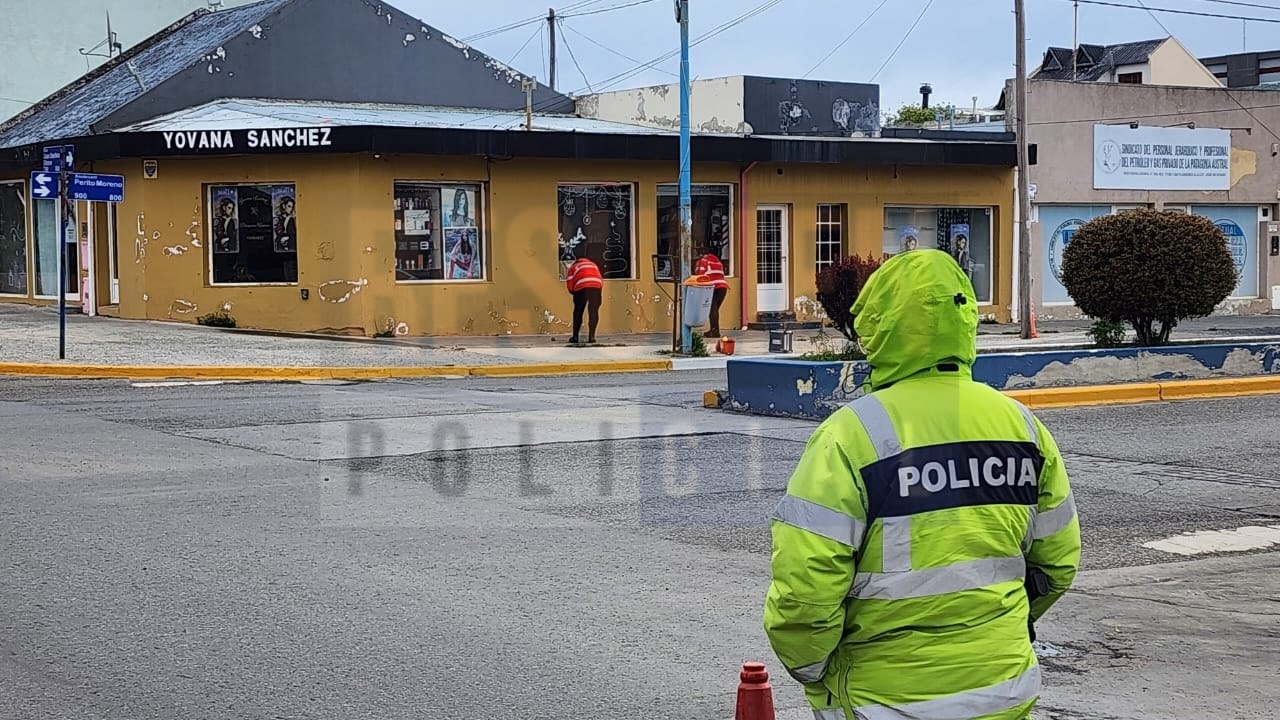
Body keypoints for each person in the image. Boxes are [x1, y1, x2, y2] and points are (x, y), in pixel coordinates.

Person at [763, 249, 1080, 720]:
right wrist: (997, 630)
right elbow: (1056, 564)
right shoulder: (1021, 427)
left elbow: (806, 590)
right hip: (1003, 690)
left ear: (880, 327)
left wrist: (814, 669)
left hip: (885, 699)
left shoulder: (851, 436)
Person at [565, 253, 603, 344]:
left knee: (578, 311)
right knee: (593, 311)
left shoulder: (574, 267)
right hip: (596, 287)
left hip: (581, 287)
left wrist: (574, 293)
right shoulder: (593, 265)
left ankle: (575, 337)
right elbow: (600, 278)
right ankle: (592, 336)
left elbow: (570, 283)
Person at [693, 246, 730, 338]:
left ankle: (715, 332)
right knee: (715, 310)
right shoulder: (718, 262)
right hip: (723, 287)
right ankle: (714, 330)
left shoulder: (703, 261)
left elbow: (700, 275)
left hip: (712, 287)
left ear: (702, 254)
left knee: (712, 310)